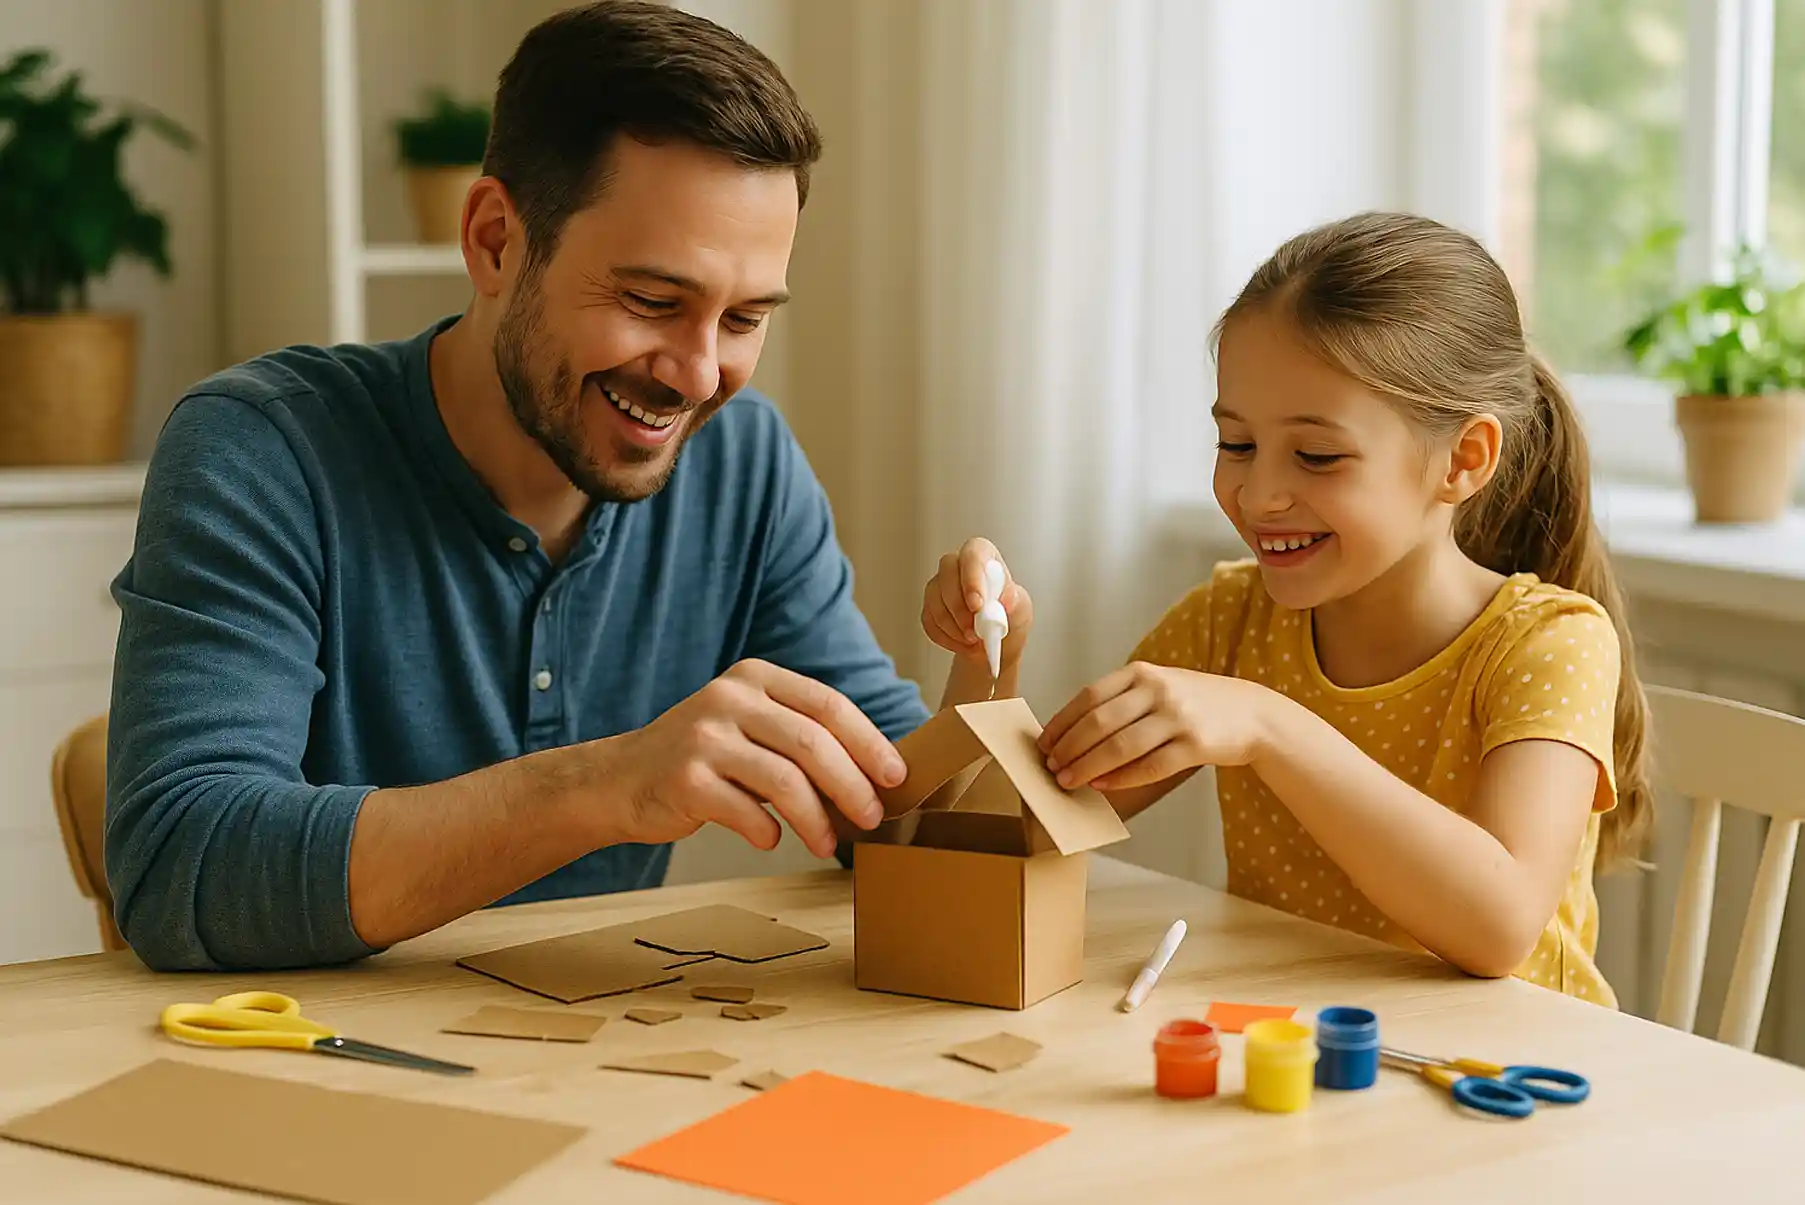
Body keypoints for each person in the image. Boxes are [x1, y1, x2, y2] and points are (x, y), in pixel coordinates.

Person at [105, 0, 933, 972]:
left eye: (744, 317)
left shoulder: (741, 464)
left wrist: (1098, 737)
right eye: (651, 301)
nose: (699, 373)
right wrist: (607, 783)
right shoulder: (265, 450)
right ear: (495, 239)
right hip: (310, 1077)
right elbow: (182, 865)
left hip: (601, 1067)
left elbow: (899, 809)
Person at [923, 212, 1650, 1007]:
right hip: (1297, 1059)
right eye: (1235, 444)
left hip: (1507, 1080)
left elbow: (1498, 925)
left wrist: (1270, 727)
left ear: (1462, 460)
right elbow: (987, 850)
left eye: (1316, 455)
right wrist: (990, 661)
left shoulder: (1551, 643)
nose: (1259, 493)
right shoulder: (1227, 621)